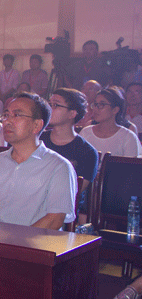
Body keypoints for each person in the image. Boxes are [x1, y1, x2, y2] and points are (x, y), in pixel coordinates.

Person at [0, 93, 77, 229]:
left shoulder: (58, 167)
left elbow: (55, 219)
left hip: (32, 241)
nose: (7, 121)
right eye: (6, 115)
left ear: (36, 125)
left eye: (16, 115)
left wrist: (16, 240)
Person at [41, 88, 99, 223]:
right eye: (49, 104)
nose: (49, 109)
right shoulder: (37, 140)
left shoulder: (87, 152)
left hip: (62, 213)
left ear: (72, 113)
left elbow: (75, 190)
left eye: (55, 105)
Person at [80, 87, 142, 157]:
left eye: (102, 105)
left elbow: (130, 163)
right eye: (95, 104)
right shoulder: (86, 132)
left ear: (115, 110)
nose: (96, 108)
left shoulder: (128, 136)